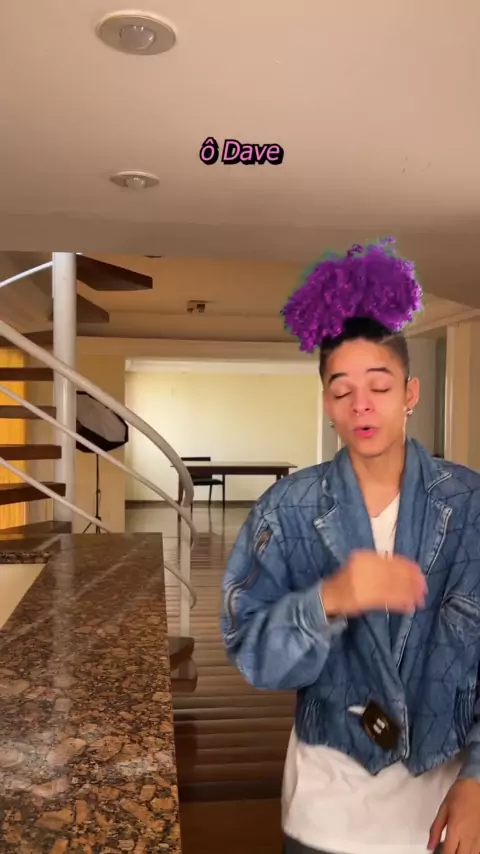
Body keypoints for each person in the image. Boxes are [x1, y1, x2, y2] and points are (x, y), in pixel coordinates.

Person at [221, 239, 480, 854]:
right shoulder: (286, 511)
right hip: (326, 813)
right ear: (328, 406)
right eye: (341, 391)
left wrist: (478, 778)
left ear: (410, 394)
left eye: (379, 386)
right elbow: (255, 655)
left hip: (445, 811)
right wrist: (328, 600)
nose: (361, 404)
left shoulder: (470, 505)